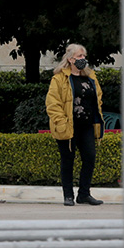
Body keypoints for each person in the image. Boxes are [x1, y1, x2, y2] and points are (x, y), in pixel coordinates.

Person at [45, 43, 105, 206]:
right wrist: (61, 121)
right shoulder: (59, 78)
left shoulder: (91, 77)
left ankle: (84, 194)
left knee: (90, 158)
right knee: (68, 160)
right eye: (79, 56)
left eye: (84, 56)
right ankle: (68, 195)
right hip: (67, 126)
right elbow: (52, 103)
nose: (83, 59)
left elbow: (98, 96)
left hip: (86, 125)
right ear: (71, 59)